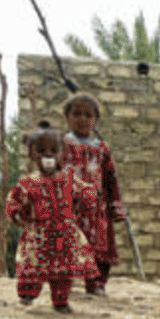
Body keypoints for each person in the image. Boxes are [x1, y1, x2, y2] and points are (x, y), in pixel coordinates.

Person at [5, 122, 99, 313]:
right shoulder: (28, 182)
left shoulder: (69, 179)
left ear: (61, 154)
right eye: (40, 151)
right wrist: (16, 213)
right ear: (31, 154)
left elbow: (88, 193)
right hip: (38, 233)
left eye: (53, 150)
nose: (47, 155)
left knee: (64, 271)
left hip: (65, 234)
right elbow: (14, 200)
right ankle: (27, 295)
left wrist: (83, 203)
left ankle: (61, 299)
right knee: (32, 265)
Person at [61, 92, 126, 296]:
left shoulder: (102, 149)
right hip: (69, 206)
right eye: (77, 113)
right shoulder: (61, 146)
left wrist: (115, 206)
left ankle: (96, 283)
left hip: (97, 208)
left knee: (99, 247)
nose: (82, 119)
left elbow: (111, 179)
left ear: (95, 120)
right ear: (68, 117)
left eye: (88, 115)